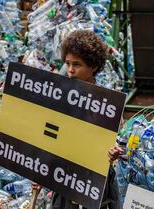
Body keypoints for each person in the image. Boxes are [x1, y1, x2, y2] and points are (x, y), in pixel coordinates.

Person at [50, 30, 123, 209]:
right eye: (67, 64)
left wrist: (113, 153)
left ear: (94, 67)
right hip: (64, 178)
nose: (71, 70)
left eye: (77, 64)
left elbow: (113, 141)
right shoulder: (60, 96)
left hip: (93, 181)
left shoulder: (107, 104)